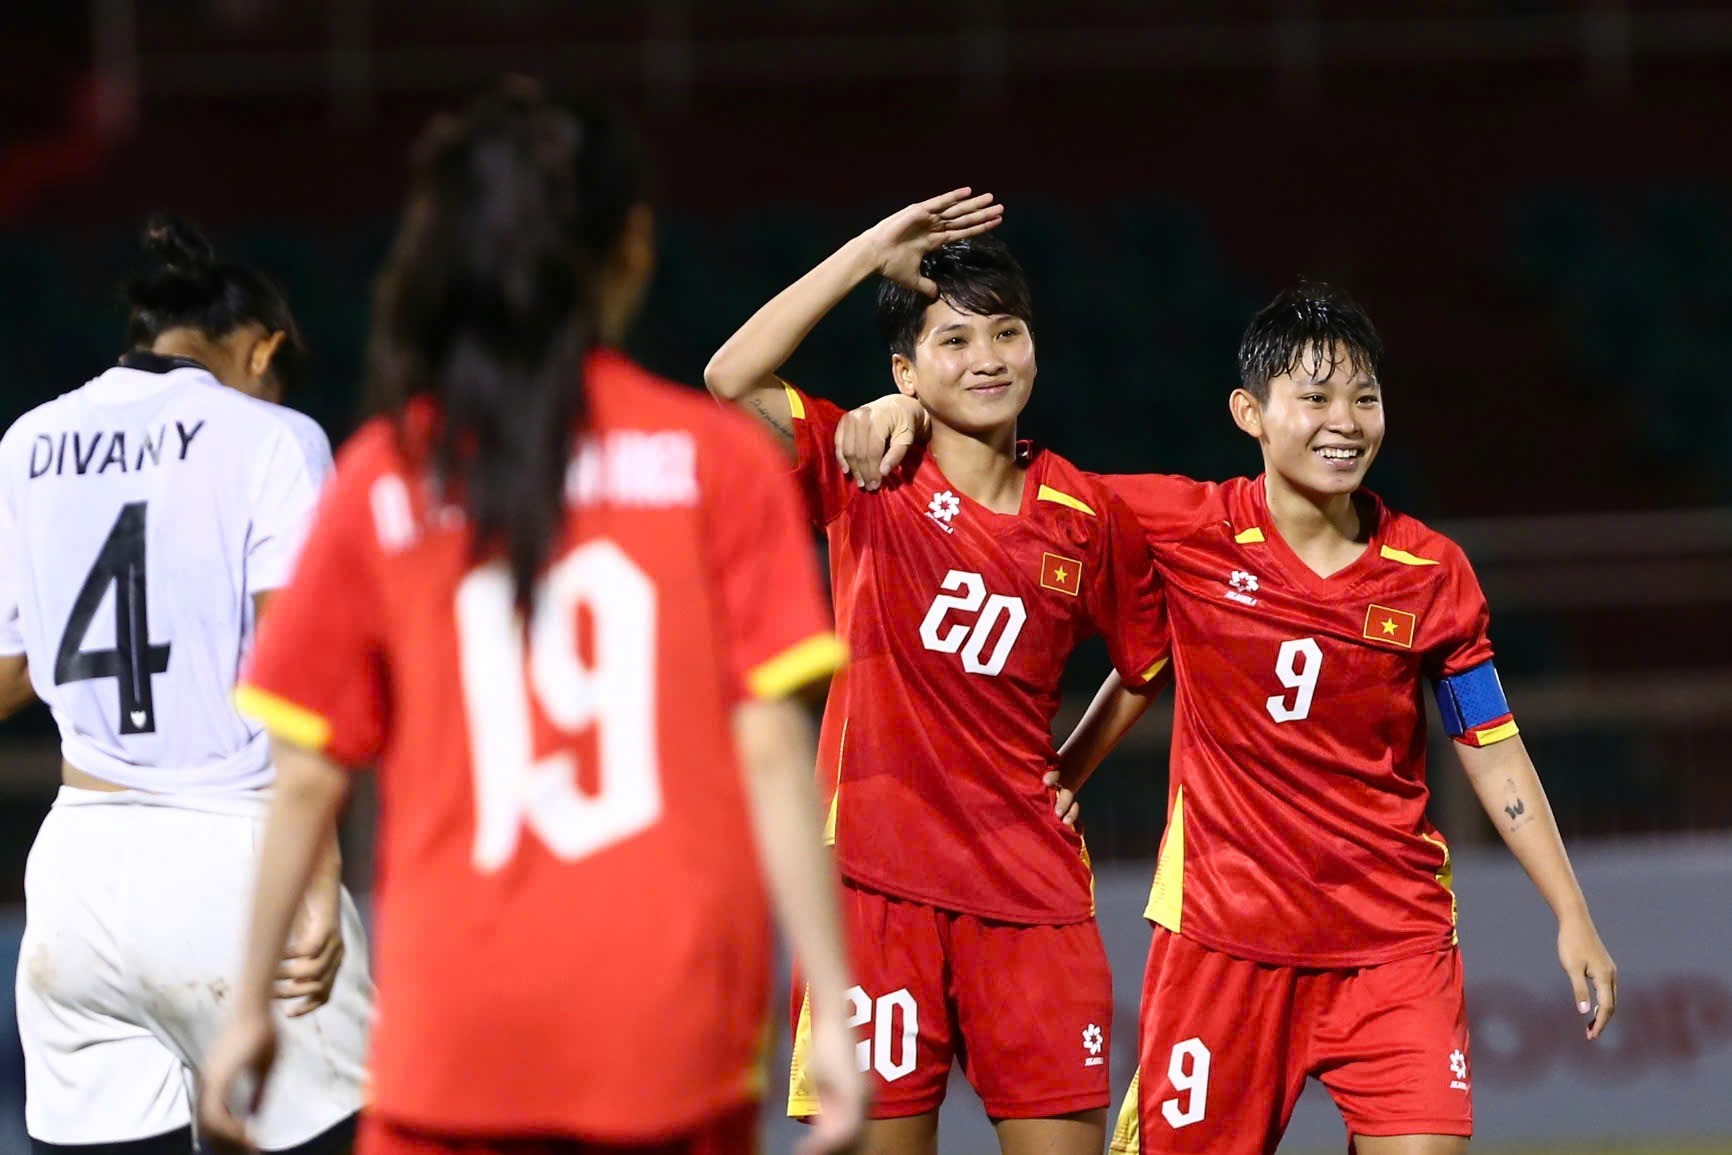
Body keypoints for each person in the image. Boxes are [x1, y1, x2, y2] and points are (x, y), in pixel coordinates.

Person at [197, 80, 864, 1155]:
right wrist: (830, 1005)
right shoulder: (716, 464)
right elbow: (774, 752)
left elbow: (310, 773)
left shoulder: (385, 477)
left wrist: (246, 1008)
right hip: (672, 1030)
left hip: (454, 1030)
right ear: (633, 247)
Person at [844, 281, 1621, 1155]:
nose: (1344, 422)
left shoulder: (1432, 573)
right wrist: (906, 415)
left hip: (1393, 945)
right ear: (1250, 413)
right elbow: (1010, 487)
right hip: (1222, 943)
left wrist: (1571, 910)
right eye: (1315, 398)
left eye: (1365, 398)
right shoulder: (1181, 526)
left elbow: (1492, 745)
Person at [705, 194, 1170, 1155]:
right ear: (904, 371)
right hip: (877, 891)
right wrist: (871, 250)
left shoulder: (1087, 516)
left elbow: (1143, 663)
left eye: (1007, 332)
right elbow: (728, 377)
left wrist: (1069, 771)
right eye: (953, 340)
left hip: (1034, 898)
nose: (988, 358)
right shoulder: (868, 470)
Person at [0, 215, 369, 1155]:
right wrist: (321, 870)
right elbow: (299, 671)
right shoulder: (275, 438)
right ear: (264, 352)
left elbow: (10, 670)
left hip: (77, 873)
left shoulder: (28, 442)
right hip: (234, 854)